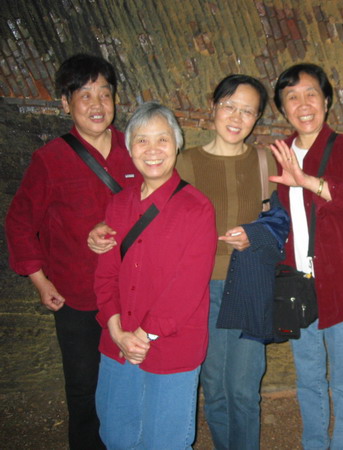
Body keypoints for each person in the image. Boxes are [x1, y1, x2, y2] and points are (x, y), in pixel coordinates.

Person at [88, 74, 275, 450]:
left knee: (241, 389)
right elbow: (135, 222)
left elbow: (282, 221)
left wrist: (257, 235)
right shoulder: (185, 163)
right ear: (214, 107)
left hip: (243, 284)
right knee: (212, 388)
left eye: (247, 110)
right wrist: (99, 230)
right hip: (200, 289)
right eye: (229, 106)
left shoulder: (263, 161)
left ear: (257, 118)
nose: (237, 116)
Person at [5, 53, 139, 449]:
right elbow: (20, 221)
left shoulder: (136, 149)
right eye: (85, 95)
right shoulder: (50, 159)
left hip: (132, 292)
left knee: (131, 381)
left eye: (105, 94)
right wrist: (40, 281)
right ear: (66, 103)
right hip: (78, 297)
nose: (98, 104)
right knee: (84, 388)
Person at [94, 102, 217, 448]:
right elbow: (105, 275)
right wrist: (117, 330)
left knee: (164, 440)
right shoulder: (118, 205)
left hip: (172, 346)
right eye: (142, 140)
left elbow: (187, 287)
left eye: (162, 139)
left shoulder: (197, 208)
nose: (152, 150)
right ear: (130, 148)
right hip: (117, 343)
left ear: (177, 144)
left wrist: (143, 334)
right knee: (116, 435)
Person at [270, 63, 343, 449]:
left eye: (311, 94)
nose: (303, 104)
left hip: (340, 286)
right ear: (283, 108)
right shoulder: (278, 154)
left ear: (327, 101)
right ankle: (314, 443)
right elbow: (275, 218)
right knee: (309, 378)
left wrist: (308, 182)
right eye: (292, 97)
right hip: (295, 286)